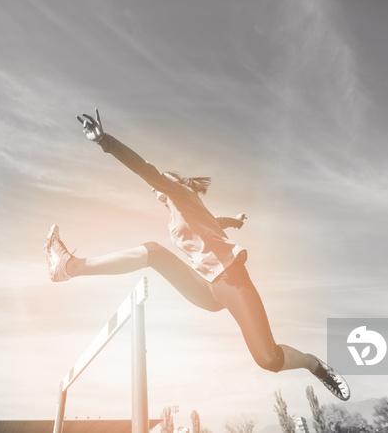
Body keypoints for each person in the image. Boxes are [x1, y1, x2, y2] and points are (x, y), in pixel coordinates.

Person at [44, 108, 350, 401]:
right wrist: (235, 221)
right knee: (154, 252)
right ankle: (69, 267)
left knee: (267, 359)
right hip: (206, 289)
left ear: (173, 183)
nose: (156, 186)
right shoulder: (179, 215)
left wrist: (104, 141)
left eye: (163, 180)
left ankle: (314, 365)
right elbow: (213, 222)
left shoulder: (182, 195)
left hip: (231, 280)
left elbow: (146, 170)